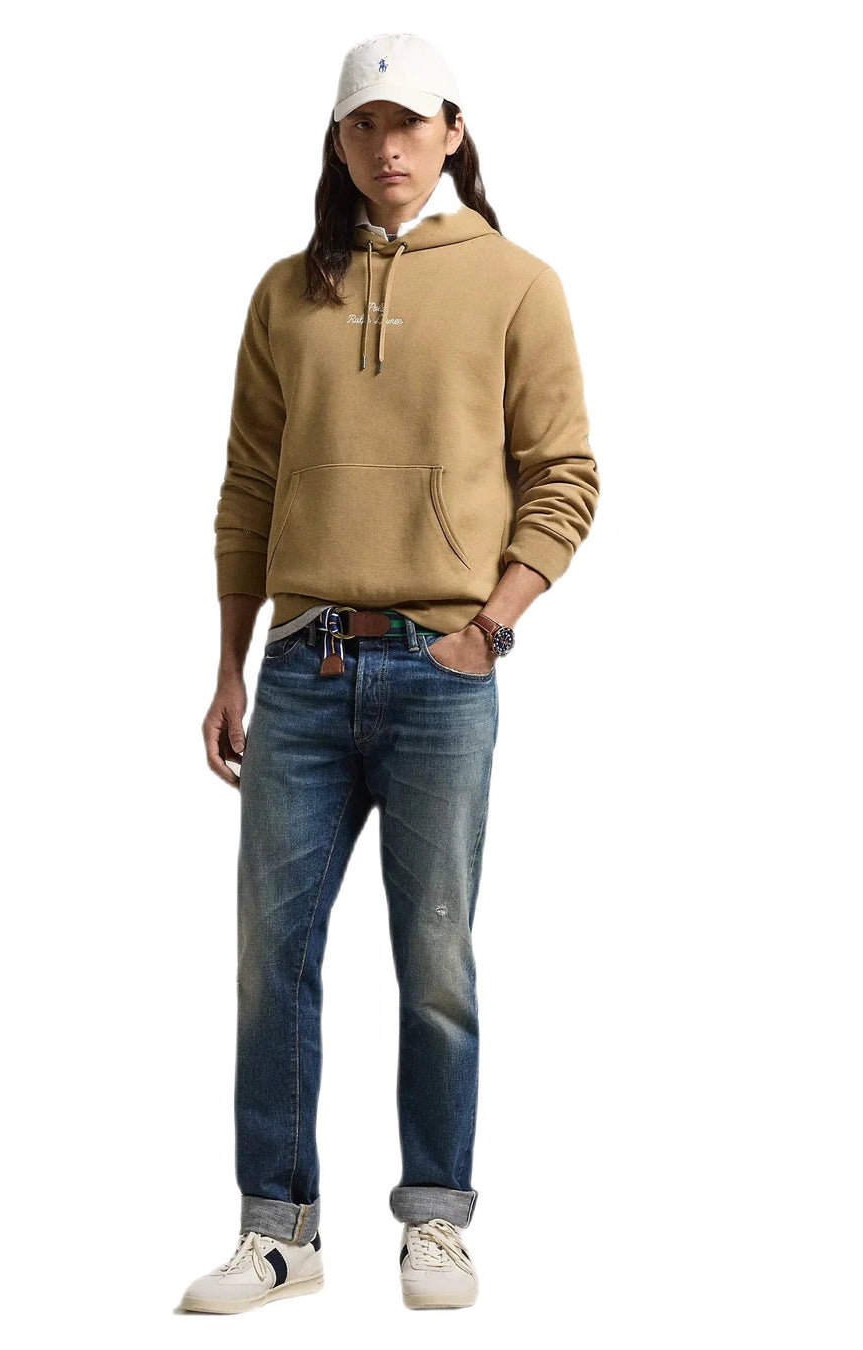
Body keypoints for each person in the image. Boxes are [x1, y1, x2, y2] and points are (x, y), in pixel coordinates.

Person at [176, 31, 600, 1315]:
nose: (388, 146)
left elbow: (566, 478)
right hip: (300, 669)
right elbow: (249, 487)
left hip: (441, 674)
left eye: (409, 122)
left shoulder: (516, 284)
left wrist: (491, 627)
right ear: (340, 141)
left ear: (453, 131)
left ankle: (436, 1221)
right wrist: (230, 664)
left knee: (437, 960)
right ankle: (278, 1231)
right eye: (364, 125)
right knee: (272, 960)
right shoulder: (285, 293)